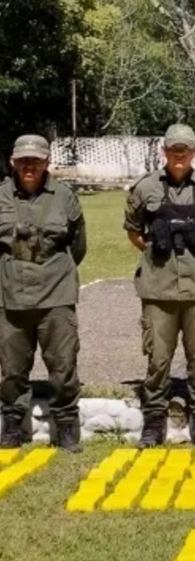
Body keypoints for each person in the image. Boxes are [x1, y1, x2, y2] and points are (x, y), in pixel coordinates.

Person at [124, 124, 195, 448]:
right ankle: (153, 422)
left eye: (185, 149)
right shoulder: (145, 188)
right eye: (174, 149)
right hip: (158, 287)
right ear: (165, 151)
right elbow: (132, 230)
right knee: (158, 358)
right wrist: (153, 250)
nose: (179, 154)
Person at [0, 134, 87, 452]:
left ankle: (66, 426)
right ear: (13, 162)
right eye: (23, 160)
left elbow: (78, 245)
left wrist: (55, 272)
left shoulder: (65, 196)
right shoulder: (0, 196)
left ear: (47, 163)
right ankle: (12, 423)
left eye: (35, 161)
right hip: (10, 295)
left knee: (63, 366)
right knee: (11, 369)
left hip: (56, 295)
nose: (29, 166)